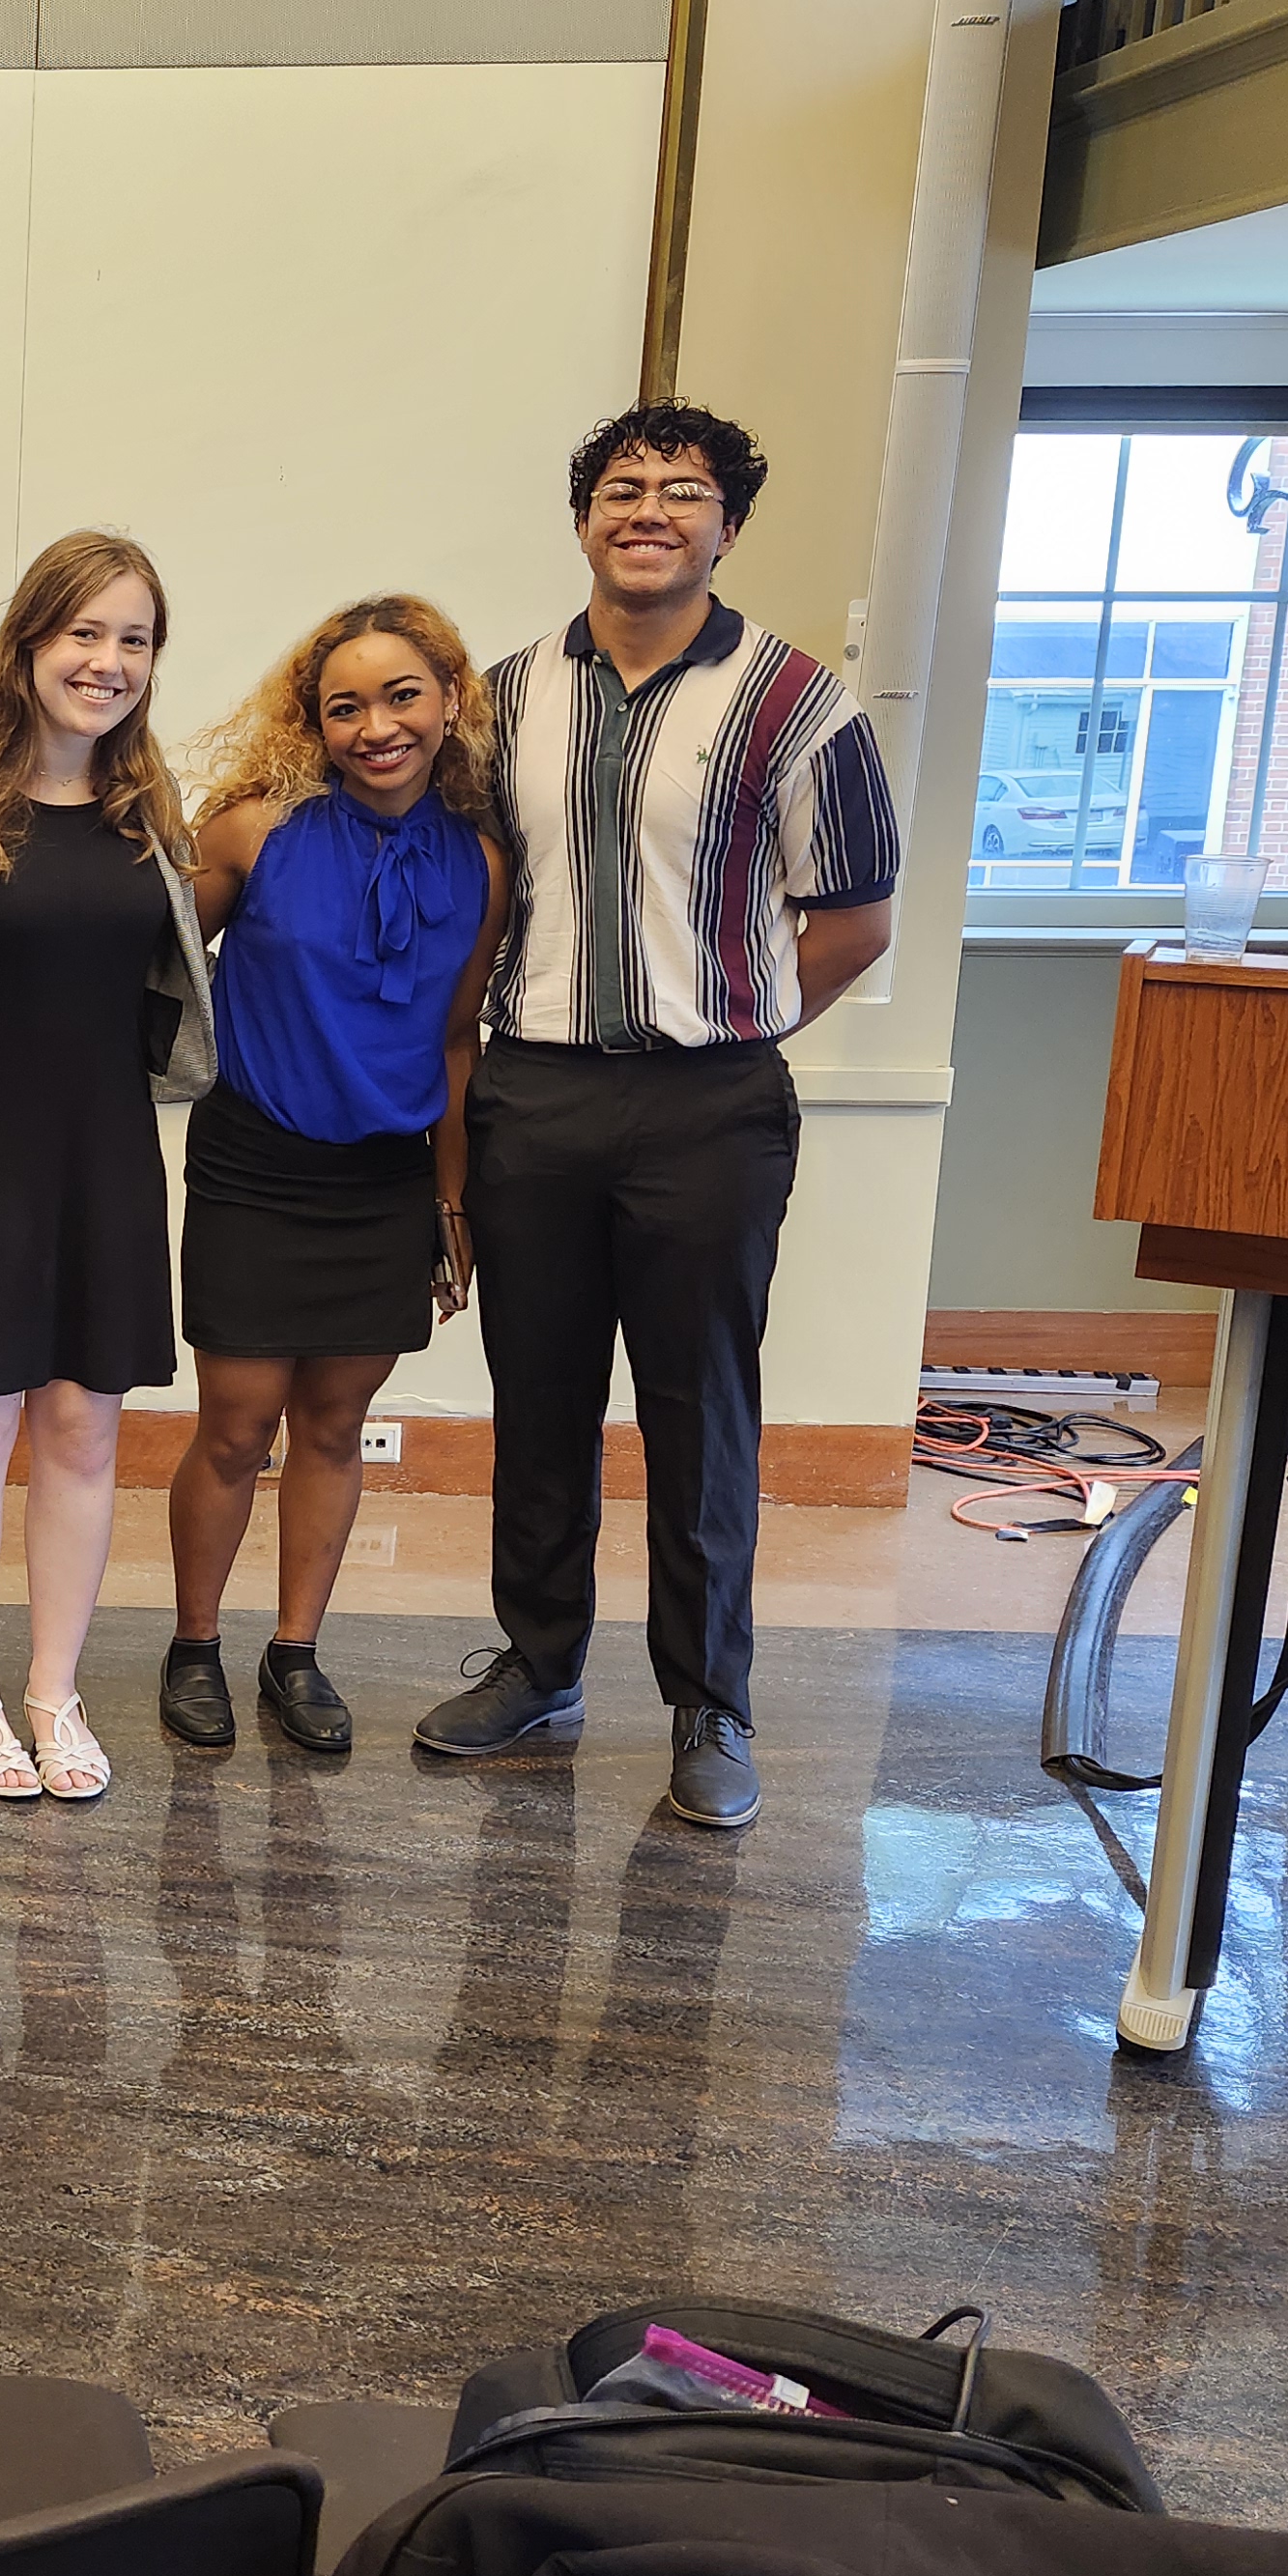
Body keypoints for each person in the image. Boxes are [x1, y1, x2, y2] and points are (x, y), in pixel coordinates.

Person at [413, 403, 900, 1830]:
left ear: (726, 528)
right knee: (539, 1397)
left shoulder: (797, 701)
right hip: (538, 1094)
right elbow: (467, 900)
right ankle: (539, 1666)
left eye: (683, 492)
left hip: (711, 1102)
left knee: (701, 1412)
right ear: (582, 522)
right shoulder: (501, 700)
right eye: (621, 488)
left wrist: (729, 1020)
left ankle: (708, 1704)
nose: (649, 511)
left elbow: (855, 922)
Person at [0, 530, 214, 1806]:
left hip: (102, 1154)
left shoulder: (150, 812)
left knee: (83, 1432)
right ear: (25, 643)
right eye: (83, 632)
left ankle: (54, 1690)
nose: (107, 661)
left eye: (134, 640)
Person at [160, 596, 511, 1758]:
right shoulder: (252, 832)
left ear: (448, 702)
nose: (376, 728)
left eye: (401, 697)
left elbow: (455, 1041)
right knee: (234, 1424)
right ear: (312, 723)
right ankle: (194, 1644)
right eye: (344, 707)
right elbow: (144, 960)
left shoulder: (480, 863)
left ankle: (295, 1653)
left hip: (385, 1180)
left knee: (333, 1423)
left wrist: (451, 1203)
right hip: (254, 1161)